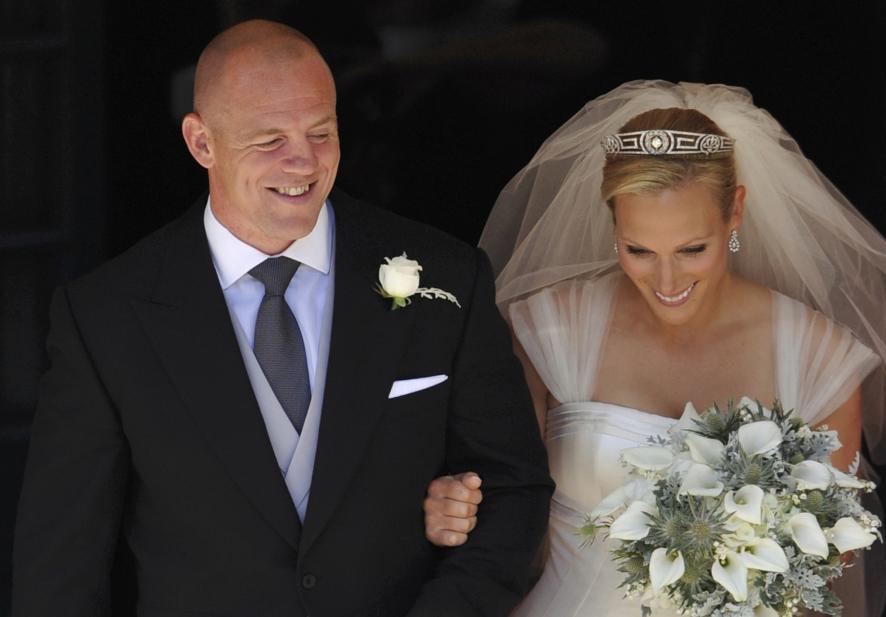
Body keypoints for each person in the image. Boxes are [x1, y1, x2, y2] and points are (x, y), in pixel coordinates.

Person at [12, 19, 552, 617]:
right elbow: (59, 568)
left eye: (321, 131)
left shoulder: (450, 277)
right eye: (270, 140)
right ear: (201, 143)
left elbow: (512, 489)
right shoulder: (105, 318)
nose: (303, 162)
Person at [423, 81, 886, 616]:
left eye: (692, 249)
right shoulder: (550, 331)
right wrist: (458, 508)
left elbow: (828, 572)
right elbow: (508, 519)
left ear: (735, 211)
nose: (666, 280)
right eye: (638, 250)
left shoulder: (819, 360)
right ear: (612, 223)